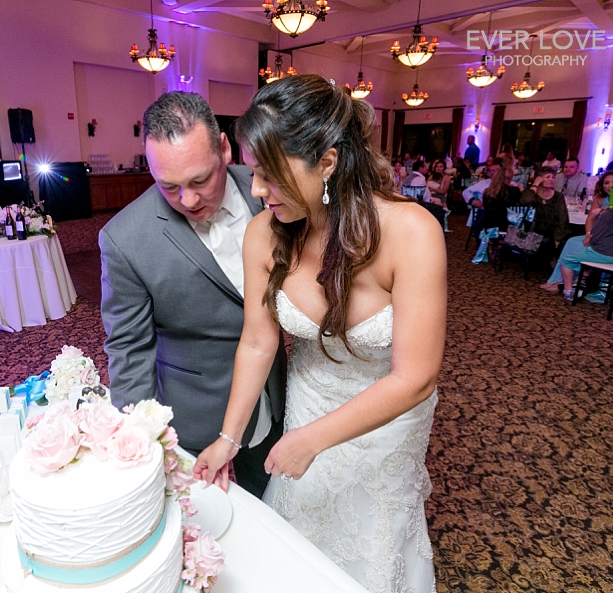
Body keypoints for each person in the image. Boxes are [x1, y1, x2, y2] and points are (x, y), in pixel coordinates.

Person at [193, 75, 445, 592]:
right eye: (253, 172)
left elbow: (416, 377)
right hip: (309, 399)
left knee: (374, 538)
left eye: (270, 176)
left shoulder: (412, 232)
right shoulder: (263, 234)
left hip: (388, 414)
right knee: (302, 528)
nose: (256, 191)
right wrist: (228, 438)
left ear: (326, 163)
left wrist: (313, 439)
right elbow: (258, 341)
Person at [99, 92, 286, 499]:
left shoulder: (270, 189)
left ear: (224, 148)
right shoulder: (125, 239)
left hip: (277, 395)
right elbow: (128, 349)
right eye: (169, 187)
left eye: (200, 180)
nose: (188, 200)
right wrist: (141, 442)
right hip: (198, 417)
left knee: (274, 505)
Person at [540, 169, 613, 297]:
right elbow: (590, 219)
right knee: (571, 241)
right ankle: (561, 280)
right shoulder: (600, 198)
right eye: (606, 183)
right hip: (599, 234)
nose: (611, 186)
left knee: (582, 246)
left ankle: (577, 282)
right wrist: (588, 234)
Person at [519, 167, 569, 262]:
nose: (551, 179)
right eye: (547, 177)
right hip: (531, 233)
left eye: (553, 177)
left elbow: (563, 218)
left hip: (550, 235)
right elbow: (525, 201)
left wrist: (557, 238)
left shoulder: (558, 196)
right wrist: (535, 184)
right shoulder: (531, 193)